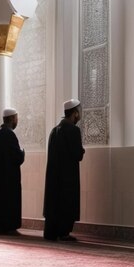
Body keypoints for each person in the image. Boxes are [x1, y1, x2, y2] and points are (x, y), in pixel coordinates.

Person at [43, 99, 85, 241]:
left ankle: (52, 232)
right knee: (67, 202)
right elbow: (77, 154)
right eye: (79, 113)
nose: (79, 116)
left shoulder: (54, 131)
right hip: (68, 177)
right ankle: (64, 232)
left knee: (55, 202)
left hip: (54, 177)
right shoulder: (73, 130)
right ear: (74, 114)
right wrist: (82, 151)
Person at [0, 108, 25, 235]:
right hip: (9, 179)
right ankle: (8, 227)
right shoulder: (10, 134)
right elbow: (17, 157)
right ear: (12, 119)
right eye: (16, 118)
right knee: (8, 203)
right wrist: (22, 153)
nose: (17, 121)